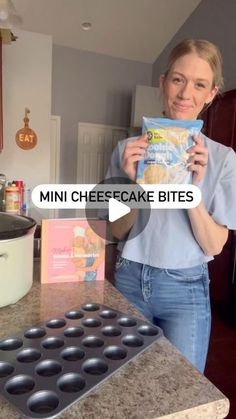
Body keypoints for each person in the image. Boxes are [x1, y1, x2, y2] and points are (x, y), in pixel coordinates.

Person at [105, 39, 236, 373]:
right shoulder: (126, 151)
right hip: (129, 279)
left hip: (186, 288)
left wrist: (192, 192)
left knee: (183, 389)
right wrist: (133, 185)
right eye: (178, 79)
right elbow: (117, 231)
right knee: (126, 384)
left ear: (211, 94)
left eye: (199, 84)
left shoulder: (222, 159)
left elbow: (215, 245)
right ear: (163, 82)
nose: (185, 93)